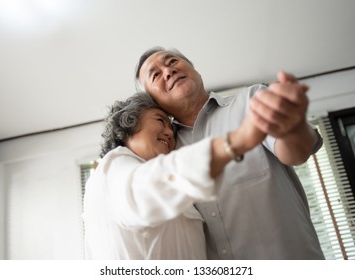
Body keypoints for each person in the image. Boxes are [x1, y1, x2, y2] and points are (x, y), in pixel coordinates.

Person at [134, 46, 326, 260]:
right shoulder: (166, 155)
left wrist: (293, 127)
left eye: (172, 62)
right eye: (156, 75)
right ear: (152, 101)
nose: (168, 71)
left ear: (195, 70)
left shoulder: (252, 101)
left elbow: (296, 154)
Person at [83, 92, 265, 259]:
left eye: (171, 128)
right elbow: (144, 191)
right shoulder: (113, 167)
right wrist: (233, 143)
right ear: (130, 123)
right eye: (160, 121)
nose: (170, 133)